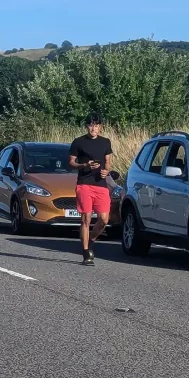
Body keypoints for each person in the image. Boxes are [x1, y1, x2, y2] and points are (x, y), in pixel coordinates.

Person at [68, 114, 113, 266]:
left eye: (96, 125)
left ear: (100, 127)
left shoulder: (105, 142)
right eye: (91, 125)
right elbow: (71, 163)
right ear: (86, 126)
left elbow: (107, 162)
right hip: (84, 184)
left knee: (104, 219)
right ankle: (86, 252)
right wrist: (85, 166)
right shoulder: (78, 142)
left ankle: (91, 239)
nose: (93, 128)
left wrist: (106, 171)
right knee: (86, 218)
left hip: (100, 184)